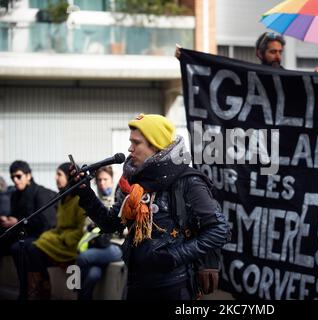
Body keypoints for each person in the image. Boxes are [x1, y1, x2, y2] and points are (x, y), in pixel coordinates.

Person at [71, 114, 230, 300]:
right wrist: (85, 194)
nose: (130, 149)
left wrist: (174, 256)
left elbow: (220, 229)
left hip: (174, 286)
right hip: (136, 283)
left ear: (155, 145)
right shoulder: (133, 182)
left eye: (136, 143)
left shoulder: (188, 182)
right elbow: (110, 224)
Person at [26, 162, 86, 300]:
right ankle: (41, 289)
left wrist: (61, 238)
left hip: (70, 246)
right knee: (31, 248)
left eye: (59, 174)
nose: (55, 178)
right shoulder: (63, 199)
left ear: (69, 177)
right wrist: (48, 236)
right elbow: (59, 228)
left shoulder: (79, 199)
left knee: (34, 250)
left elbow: (81, 231)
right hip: (60, 242)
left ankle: (41, 292)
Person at [0, 160, 56, 299]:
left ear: (28, 175)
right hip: (22, 234)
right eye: (13, 177)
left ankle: (28, 289)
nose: (16, 180)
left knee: (18, 248)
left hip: (39, 235)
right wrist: (8, 220)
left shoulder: (40, 193)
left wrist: (18, 221)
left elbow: (45, 223)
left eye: (18, 176)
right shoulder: (15, 195)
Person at [75, 165, 123, 300]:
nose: (102, 183)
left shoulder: (119, 198)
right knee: (93, 275)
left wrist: (105, 227)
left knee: (82, 258)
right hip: (97, 245)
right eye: (99, 180)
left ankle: (76, 289)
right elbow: (86, 227)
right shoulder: (94, 200)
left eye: (105, 179)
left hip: (117, 245)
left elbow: (124, 226)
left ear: (112, 180)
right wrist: (93, 229)